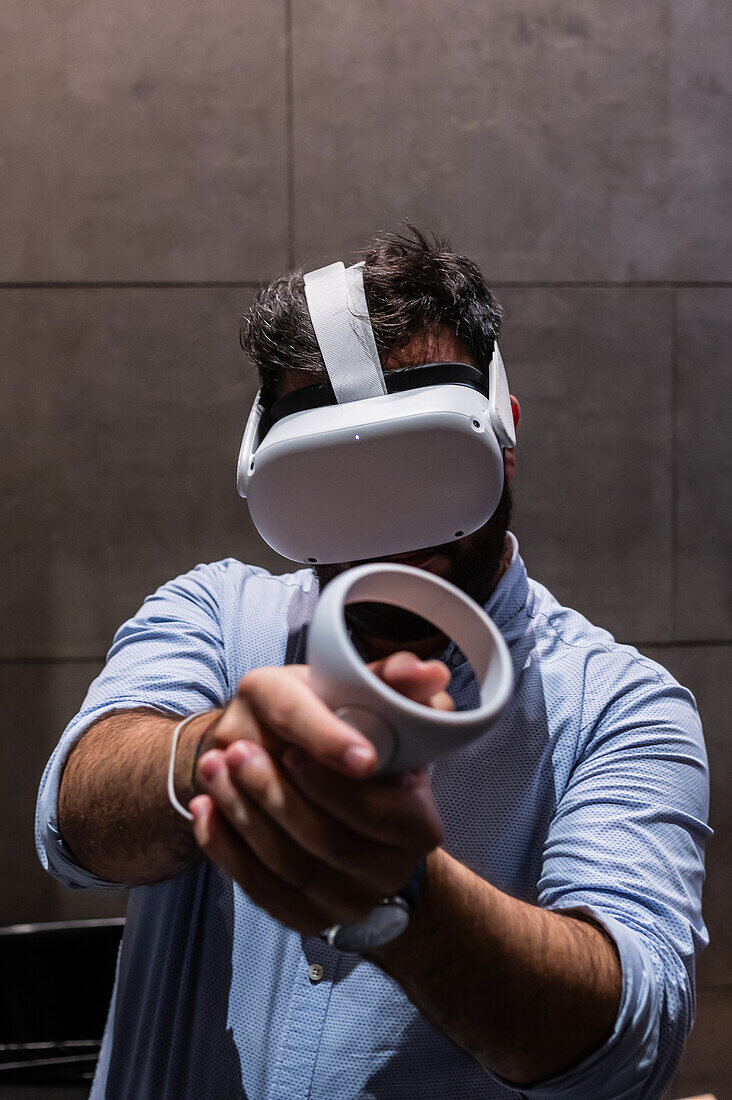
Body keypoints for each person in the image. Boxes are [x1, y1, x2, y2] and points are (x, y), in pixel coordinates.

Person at [36, 229, 709, 1100]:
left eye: (430, 472)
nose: (397, 539)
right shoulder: (214, 613)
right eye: (338, 488)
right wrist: (219, 759)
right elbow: (73, 820)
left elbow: (628, 1039)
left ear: (504, 434)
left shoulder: (622, 708)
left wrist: (409, 897)